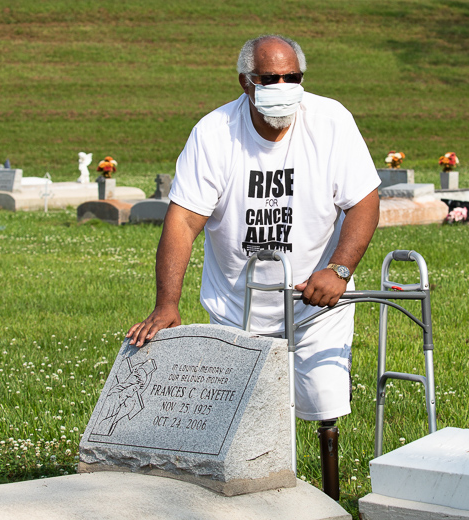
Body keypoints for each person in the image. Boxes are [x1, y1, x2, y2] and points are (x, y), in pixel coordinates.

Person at [126, 34, 380, 498]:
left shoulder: (331, 122)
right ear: (246, 83)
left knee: (324, 402)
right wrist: (167, 303)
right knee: (246, 417)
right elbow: (183, 220)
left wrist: (339, 270)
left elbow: (364, 201)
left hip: (315, 299)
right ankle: (263, 499)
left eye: (292, 78)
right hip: (237, 305)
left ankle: (329, 500)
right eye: (270, 79)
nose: (282, 86)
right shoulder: (215, 132)